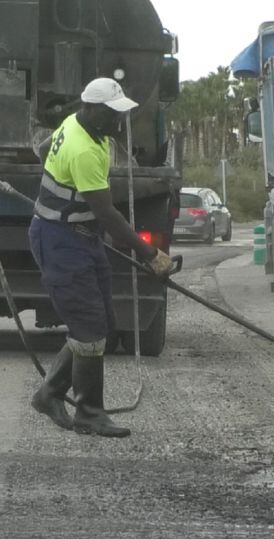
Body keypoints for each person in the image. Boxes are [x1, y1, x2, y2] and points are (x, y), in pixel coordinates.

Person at [28, 78, 173, 438]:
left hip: (77, 235)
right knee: (89, 327)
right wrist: (151, 253)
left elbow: (44, 151)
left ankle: (49, 393)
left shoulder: (76, 124)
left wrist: (63, 196)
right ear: (91, 109)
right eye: (112, 114)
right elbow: (108, 215)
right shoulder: (85, 151)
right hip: (60, 240)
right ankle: (89, 413)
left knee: (100, 323)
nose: (118, 122)